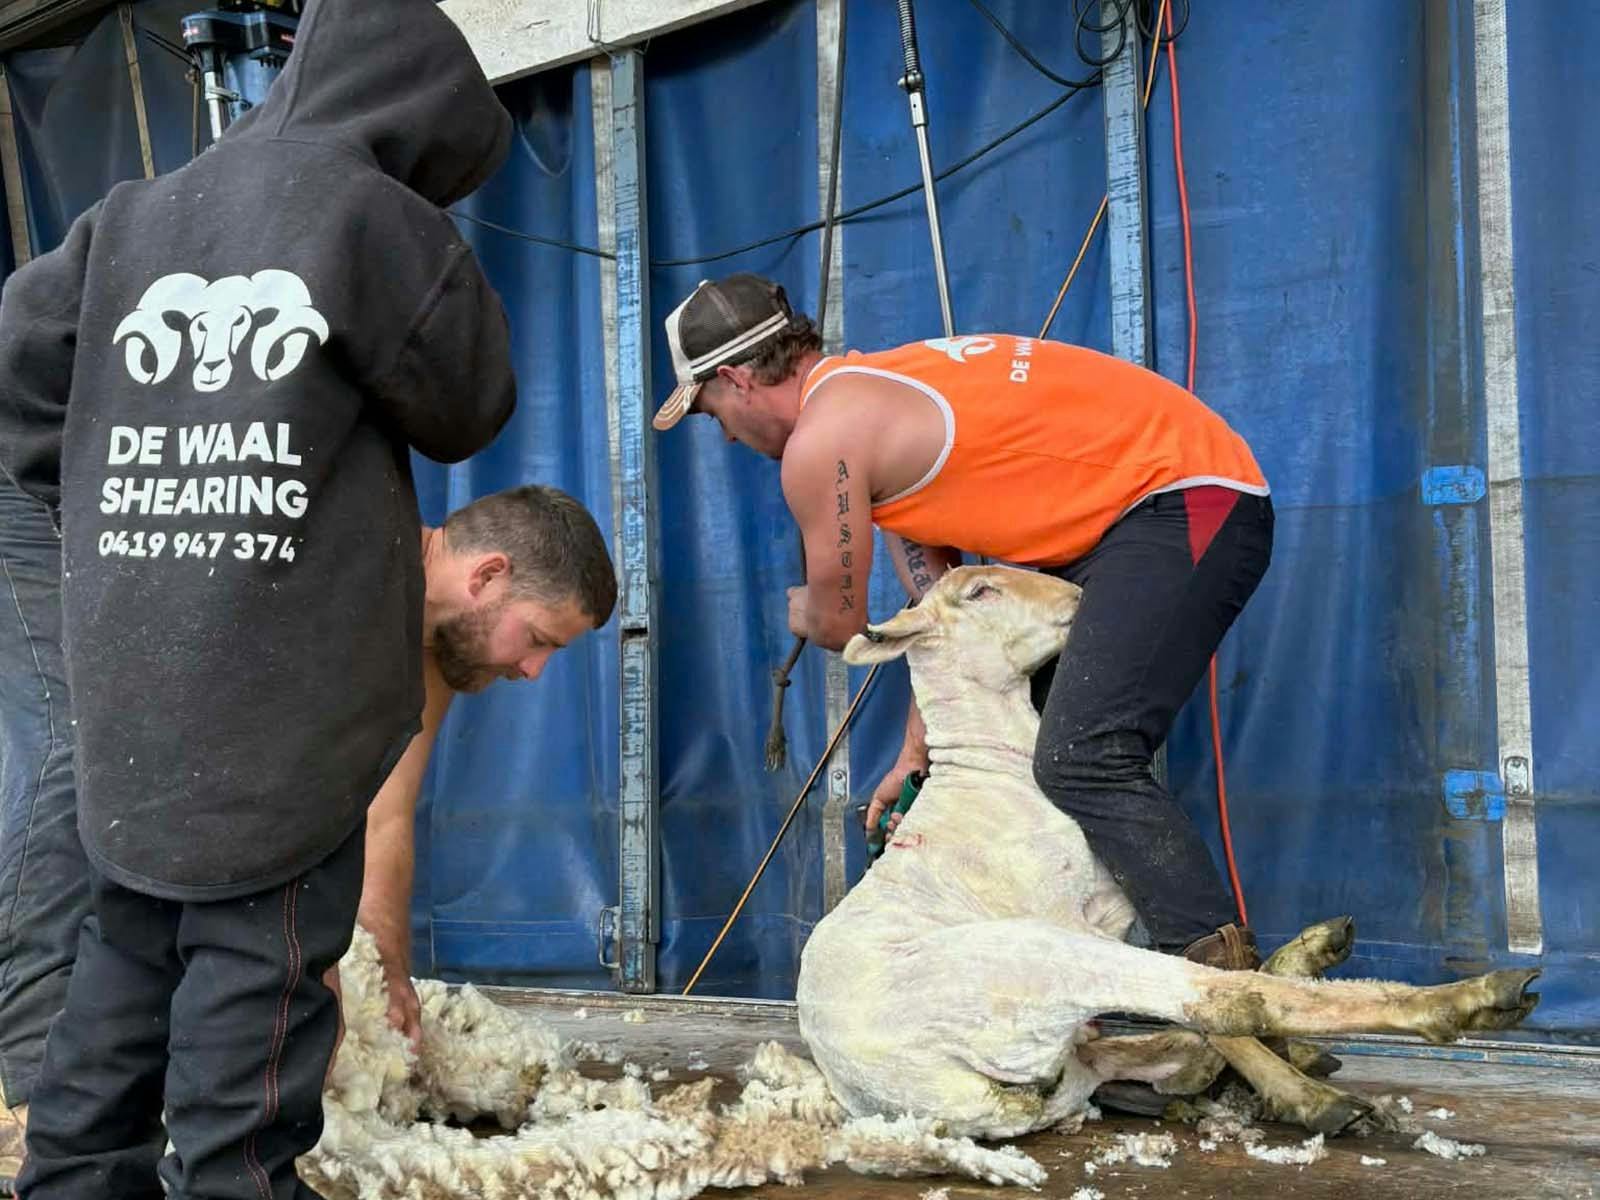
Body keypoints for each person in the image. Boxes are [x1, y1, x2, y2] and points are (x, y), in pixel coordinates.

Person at [0, 0, 525, 1193]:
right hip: (275, 713)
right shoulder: (367, 212)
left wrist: (100, 507)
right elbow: (469, 400)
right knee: (253, 1009)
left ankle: (74, 1178)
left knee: (124, 967)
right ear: (424, 118)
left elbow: (20, 349)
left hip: (137, 699)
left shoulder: (130, 213)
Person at [652, 273, 1273, 975]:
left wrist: (804, 609)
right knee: (1022, 753)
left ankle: (1220, 979)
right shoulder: (874, 401)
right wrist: (916, 756)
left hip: (1186, 499)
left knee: (1080, 755)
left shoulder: (822, 443)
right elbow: (945, 625)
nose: (726, 435)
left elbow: (840, 626)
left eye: (710, 413)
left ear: (735, 379)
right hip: (1146, 511)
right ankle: (1069, 980)